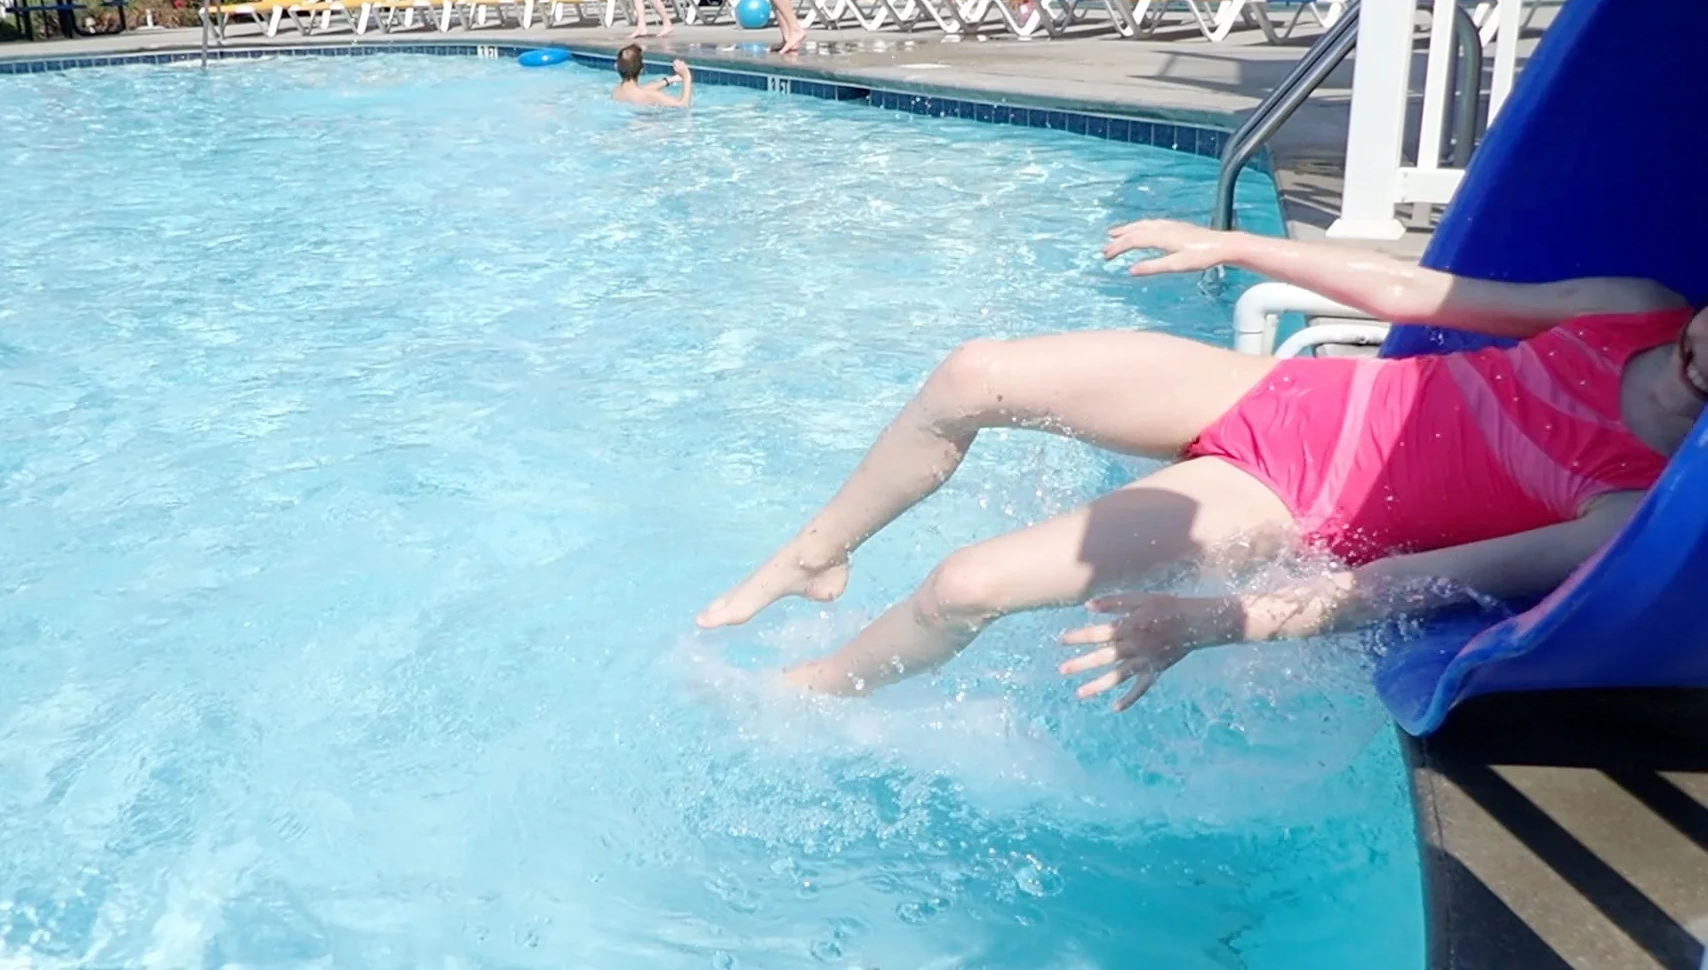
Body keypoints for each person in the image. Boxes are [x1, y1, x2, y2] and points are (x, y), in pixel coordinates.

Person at [699, 219, 1708, 708]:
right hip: (1276, 398)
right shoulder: (1635, 303)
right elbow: (1417, 290)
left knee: (967, 586)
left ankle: (812, 692)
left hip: (1283, 498)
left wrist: (1218, 624)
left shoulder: (1634, 502)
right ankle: (817, 553)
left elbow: (1404, 584)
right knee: (974, 375)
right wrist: (1236, 244)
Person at [611, 44, 694, 108]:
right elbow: (683, 105)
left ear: (616, 67)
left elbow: (640, 91)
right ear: (641, 70)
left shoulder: (616, 93)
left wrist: (668, 81)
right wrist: (687, 76)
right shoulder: (653, 96)